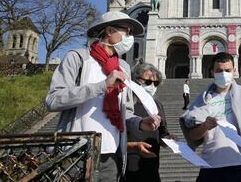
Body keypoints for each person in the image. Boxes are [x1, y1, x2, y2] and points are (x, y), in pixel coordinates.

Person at [46, 11, 160, 182]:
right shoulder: (78, 58)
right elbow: (53, 100)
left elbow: (126, 113)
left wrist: (141, 123)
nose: (130, 37)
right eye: (127, 31)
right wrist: (102, 85)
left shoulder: (124, 67)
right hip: (76, 152)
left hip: (111, 154)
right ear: (109, 31)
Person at [181, 52, 241, 182]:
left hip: (239, 165)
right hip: (209, 165)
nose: (223, 74)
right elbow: (193, 136)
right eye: (219, 70)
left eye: (227, 70)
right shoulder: (203, 100)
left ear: (234, 71)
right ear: (212, 72)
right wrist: (205, 126)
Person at [125, 63, 177, 182]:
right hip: (127, 168)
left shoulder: (157, 105)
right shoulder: (126, 103)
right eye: (148, 82)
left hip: (152, 168)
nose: (152, 86)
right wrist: (135, 147)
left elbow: (163, 135)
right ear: (135, 80)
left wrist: (170, 140)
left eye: (156, 83)